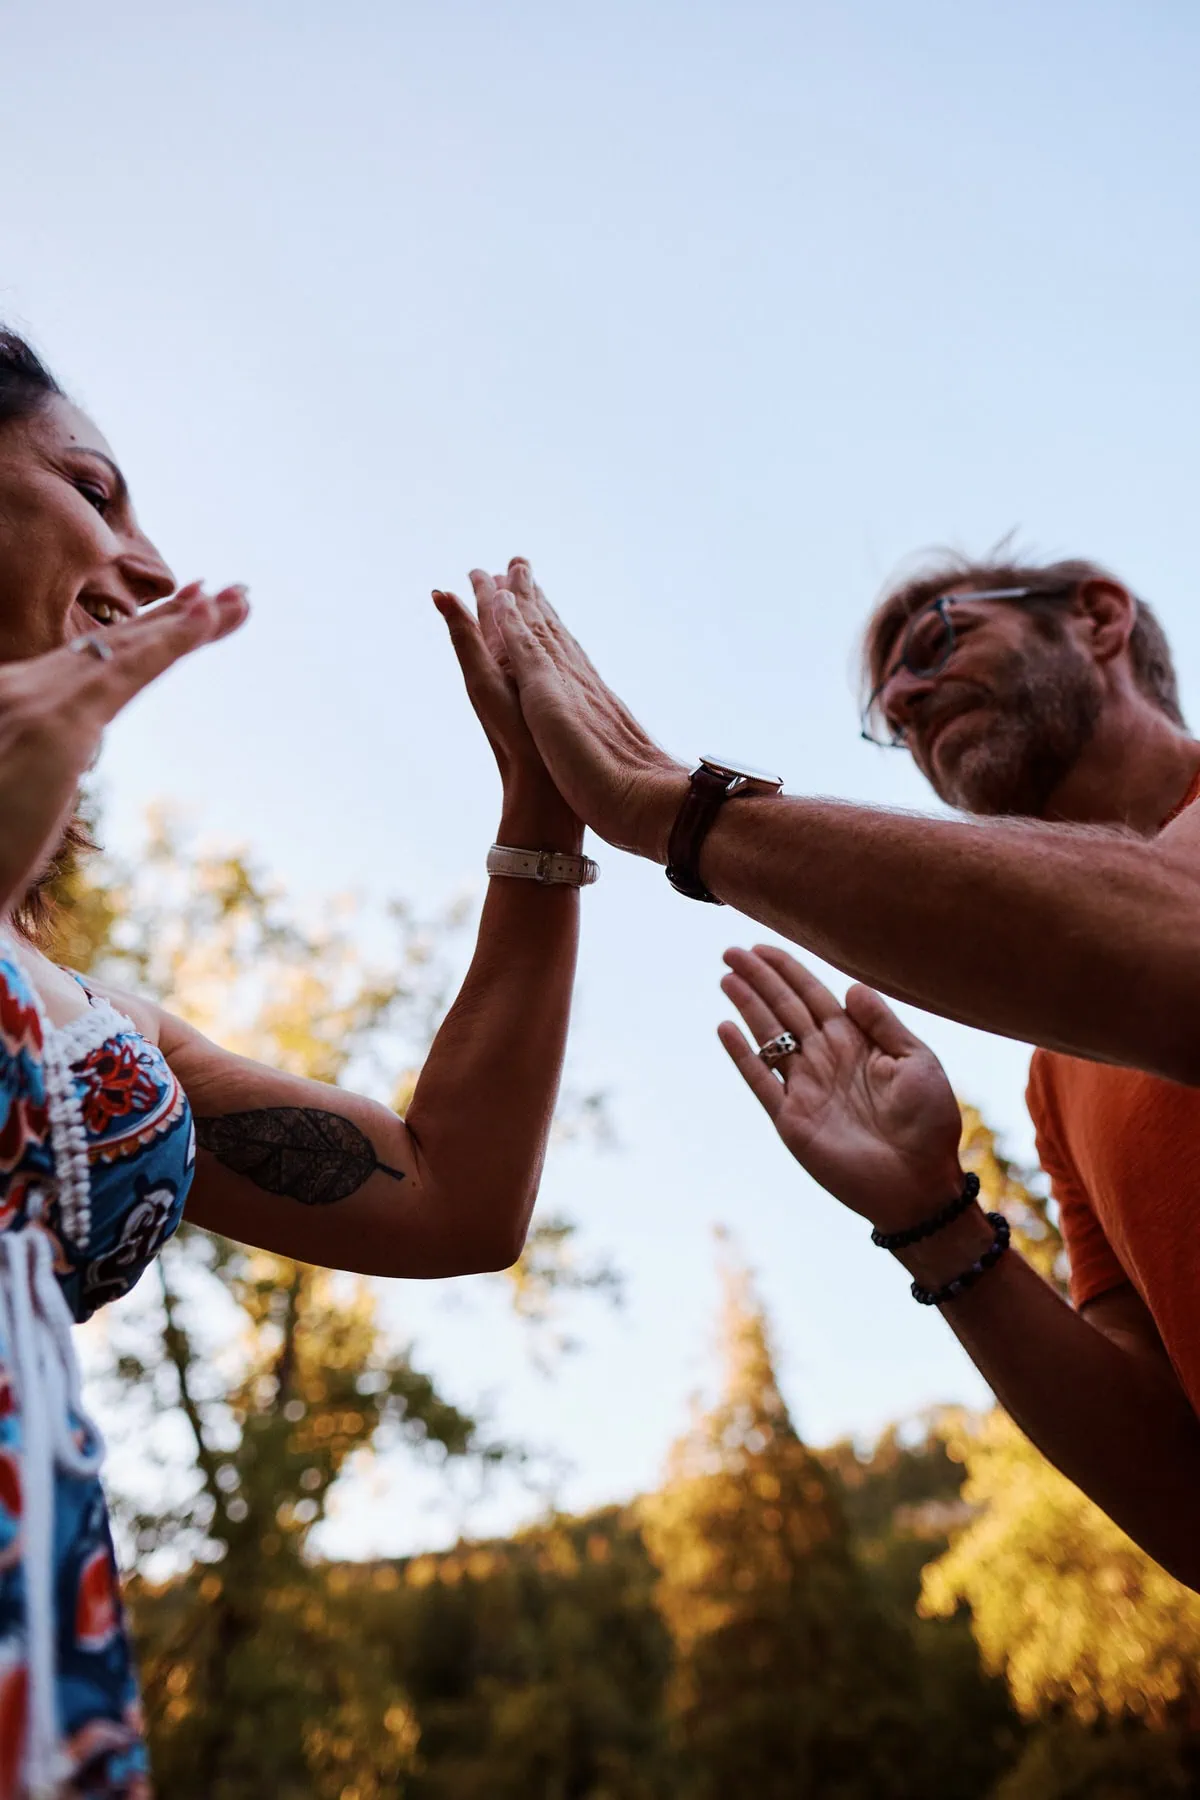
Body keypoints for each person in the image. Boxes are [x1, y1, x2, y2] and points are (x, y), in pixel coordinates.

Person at [0, 330, 592, 1799]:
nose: (148, 562)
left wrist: (545, 818)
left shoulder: (87, 1024)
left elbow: (454, 1198)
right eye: (97, 491)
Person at [486, 554, 1200, 1591]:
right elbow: (1177, 1496)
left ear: (1095, 615)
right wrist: (934, 1219)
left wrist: (676, 810)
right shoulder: (1061, 1076)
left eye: (936, 640)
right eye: (892, 721)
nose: (905, 702)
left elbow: (1179, 948)